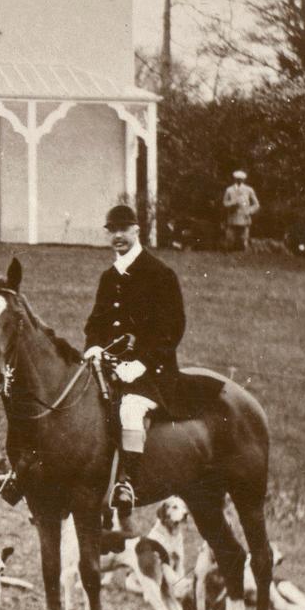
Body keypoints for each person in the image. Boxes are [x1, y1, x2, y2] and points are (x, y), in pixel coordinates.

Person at [83, 203, 186, 519]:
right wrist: (93, 347)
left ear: (136, 231)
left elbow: (172, 328)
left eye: (123, 230)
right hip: (111, 368)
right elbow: (96, 324)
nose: (117, 237)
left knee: (130, 409)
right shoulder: (108, 277)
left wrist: (142, 362)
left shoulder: (159, 274)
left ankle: (126, 483)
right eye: (112, 231)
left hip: (151, 373)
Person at [222, 169, 261, 252]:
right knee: (230, 238)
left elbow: (256, 204)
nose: (239, 180)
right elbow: (224, 203)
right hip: (232, 216)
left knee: (244, 238)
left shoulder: (249, 189)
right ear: (234, 179)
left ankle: (244, 251)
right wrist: (232, 204)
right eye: (237, 178)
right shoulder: (229, 190)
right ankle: (230, 251)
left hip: (244, 217)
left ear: (244, 180)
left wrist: (249, 211)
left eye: (241, 179)